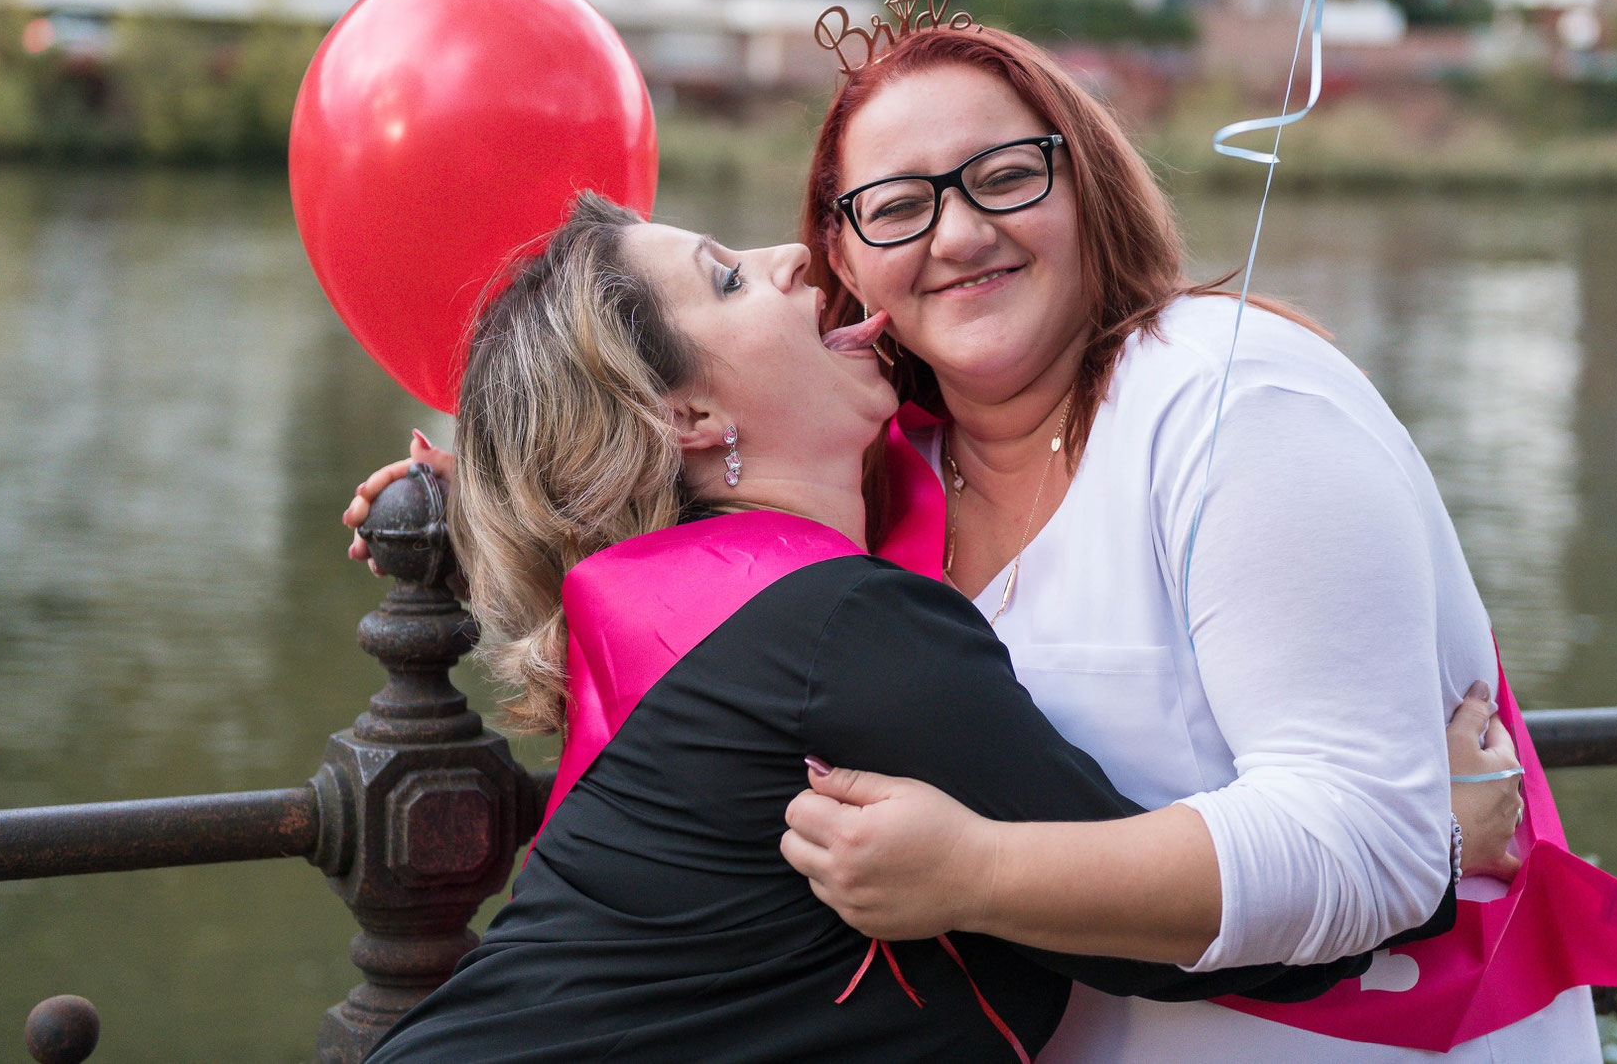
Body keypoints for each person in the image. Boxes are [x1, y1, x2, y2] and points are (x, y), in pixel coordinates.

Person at [352, 194, 1461, 1064]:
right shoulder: (841, 629)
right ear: (685, 417)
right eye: (728, 279)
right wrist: (1427, 831)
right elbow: (1168, 943)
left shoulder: (685, 604)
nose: (796, 261)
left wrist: (472, 507)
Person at [763, 15, 1617, 1060]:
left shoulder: (1231, 399)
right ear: (839, 249)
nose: (959, 233)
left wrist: (972, 874)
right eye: (897, 206)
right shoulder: (871, 480)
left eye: (1005, 176)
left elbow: (1370, 841)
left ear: (1086, 182)